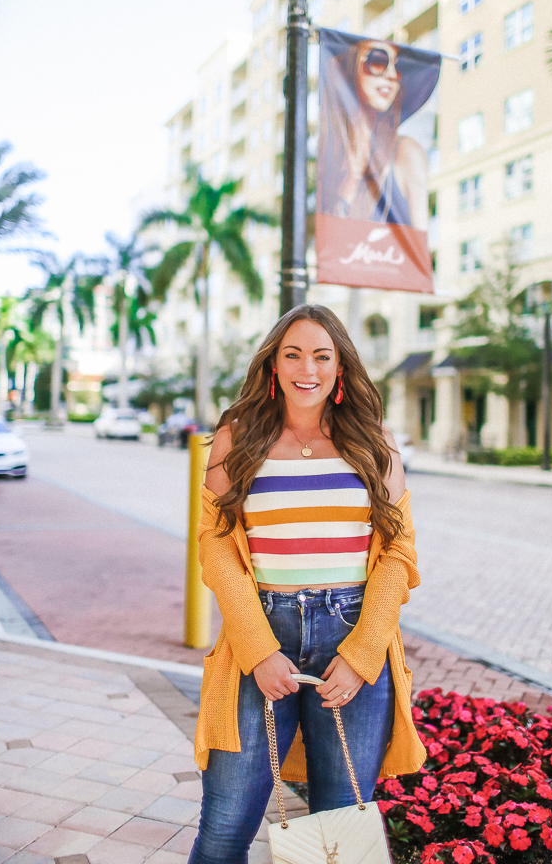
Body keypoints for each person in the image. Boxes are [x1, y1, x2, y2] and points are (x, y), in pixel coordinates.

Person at [188, 303, 425, 864]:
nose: (307, 368)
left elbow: (400, 550)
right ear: (273, 364)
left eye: (322, 355)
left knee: (337, 840)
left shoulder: (374, 442)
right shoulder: (237, 438)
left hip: (352, 638)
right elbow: (215, 542)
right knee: (223, 829)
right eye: (292, 354)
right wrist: (257, 648)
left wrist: (363, 653)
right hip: (261, 635)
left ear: (341, 367)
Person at [318, 38, 430, 229]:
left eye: (398, 66)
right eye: (378, 61)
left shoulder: (407, 153)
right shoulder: (333, 157)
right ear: (349, 69)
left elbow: (419, 248)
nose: (392, 75)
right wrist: (352, 180)